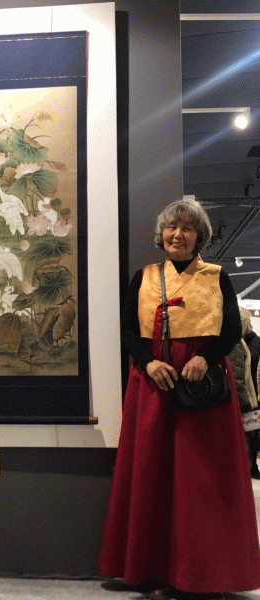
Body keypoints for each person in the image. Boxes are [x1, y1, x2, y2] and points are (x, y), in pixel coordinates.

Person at [98, 198, 260, 598]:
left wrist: (206, 358)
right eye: (172, 227)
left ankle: (207, 576)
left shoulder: (217, 276)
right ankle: (156, 572)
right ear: (162, 234)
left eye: (187, 228)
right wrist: (149, 363)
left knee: (203, 482)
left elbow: (230, 330)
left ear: (198, 236)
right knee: (154, 477)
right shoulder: (144, 277)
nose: (178, 234)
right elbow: (127, 330)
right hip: (155, 385)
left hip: (202, 389)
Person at [229, 307, 259, 476]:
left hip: (241, 401)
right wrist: (245, 404)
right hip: (240, 403)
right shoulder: (235, 343)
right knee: (243, 446)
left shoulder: (236, 341)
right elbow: (237, 376)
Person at [241, 307, 260, 478]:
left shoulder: (256, 343)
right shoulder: (236, 342)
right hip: (243, 393)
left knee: (253, 433)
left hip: (254, 395)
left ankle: (253, 466)